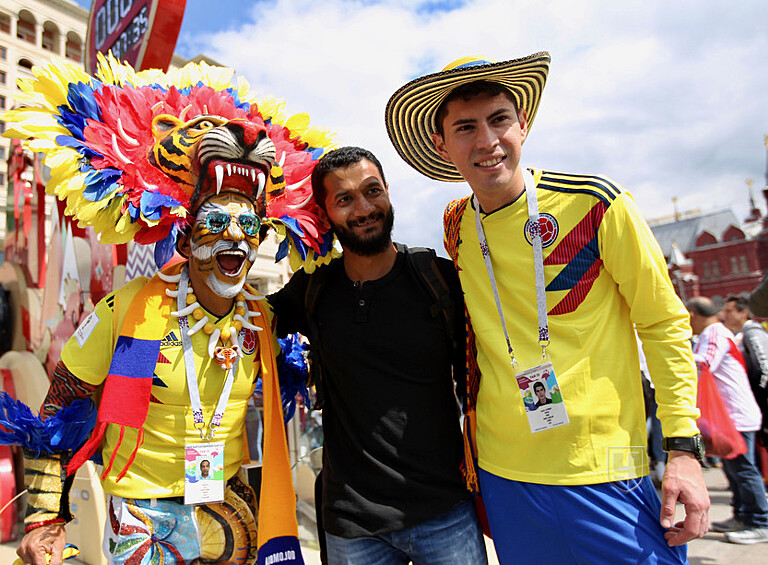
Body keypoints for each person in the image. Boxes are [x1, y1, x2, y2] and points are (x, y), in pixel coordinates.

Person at [0, 54, 337, 565]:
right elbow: (59, 411)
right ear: (186, 238)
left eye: (248, 226)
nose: (235, 236)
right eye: (216, 221)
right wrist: (43, 519)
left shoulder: (263, 320)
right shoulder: (126, 310)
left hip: (230, 510)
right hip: (141, 521)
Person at [385, 52, 709, 563]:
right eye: (465, 127)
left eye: (499, 120)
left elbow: (664, 323)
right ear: (441, 145)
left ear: (524, 124)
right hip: (503, 474)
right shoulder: (456, 225)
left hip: (603, 470)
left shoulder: (596, 203)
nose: (487, 141)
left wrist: (684, 452)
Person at [269, 146, 488, 564]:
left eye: (372, 191)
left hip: (445, 511)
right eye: (344, 199)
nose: (363, 208)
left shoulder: (437, 279)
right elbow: (243, 321)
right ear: (325, 213)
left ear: (388, 191)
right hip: (352, 524)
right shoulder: (313, 288)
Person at [687, 296, 768, 543]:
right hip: (729, 415)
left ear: (692, 314)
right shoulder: (714, 333)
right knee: (734, 470)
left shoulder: (714, 333)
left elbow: (703, 363)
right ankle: (743, 515)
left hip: (735, 415)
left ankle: (760, 522)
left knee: (744, 470)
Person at [722, 294, 768, 444]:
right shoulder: (741, 335)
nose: (725, 315)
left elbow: (763, 368)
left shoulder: (753, 332)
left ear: (744, 313)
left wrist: (758, 398)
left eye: (729, 311)